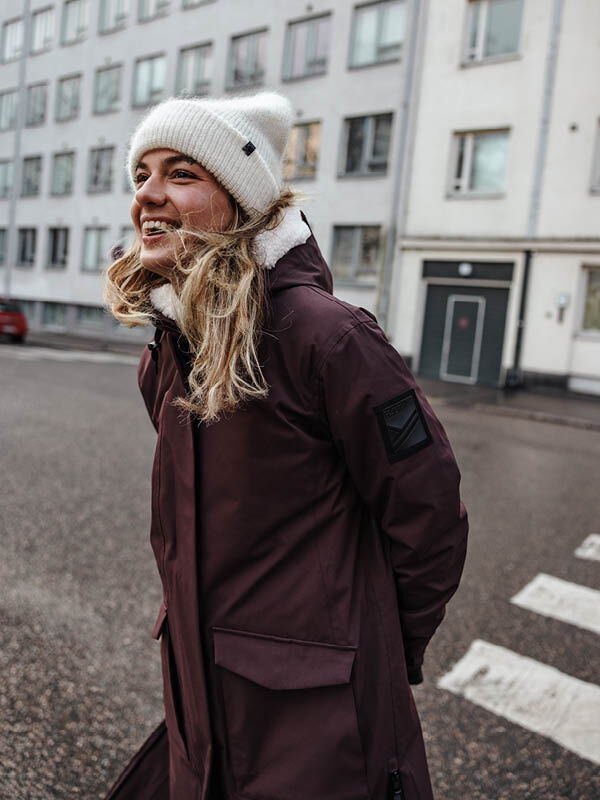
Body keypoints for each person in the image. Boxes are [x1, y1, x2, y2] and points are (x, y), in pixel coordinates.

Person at [103, 91, 468, 800]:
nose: (148, 194)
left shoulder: (328, 338)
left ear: (240, 201)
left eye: (181, 173)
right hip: (202, 714)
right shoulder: (169, 352)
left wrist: (379, 656)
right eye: (141, 174)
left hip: (320, 733)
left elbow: (431, 521)